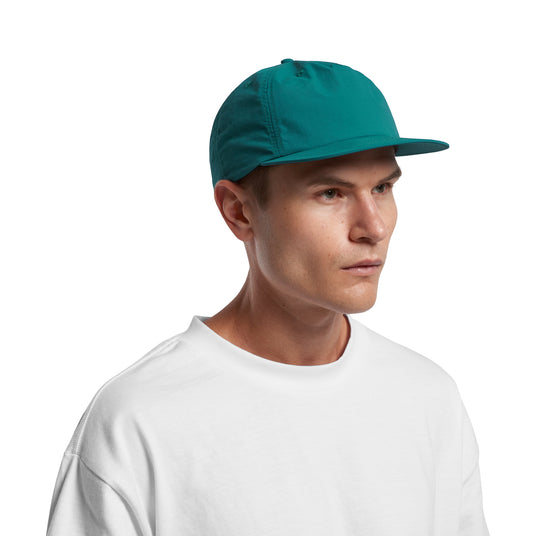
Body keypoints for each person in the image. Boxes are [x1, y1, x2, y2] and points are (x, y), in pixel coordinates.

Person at [46, 59, 490, 535]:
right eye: (330, 193)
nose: (373, 227)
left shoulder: (429, 397)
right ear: (238, 212)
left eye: (382, 187)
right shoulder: (138, 421)